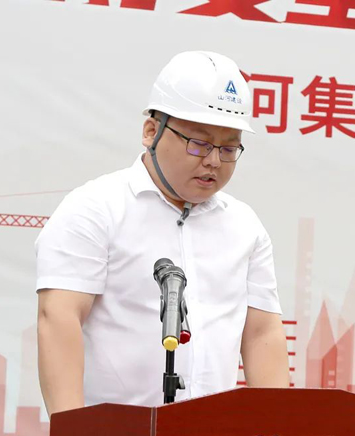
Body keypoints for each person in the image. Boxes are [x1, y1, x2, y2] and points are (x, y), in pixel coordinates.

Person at [35, 51, 290, 416]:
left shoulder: (244, 226)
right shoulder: (96, 208)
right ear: (151, 132)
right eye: (199, 143)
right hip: (116, 435)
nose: (213, 161)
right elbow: (58, 317)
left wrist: (275, 429)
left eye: (229, 148)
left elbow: (262, 333)